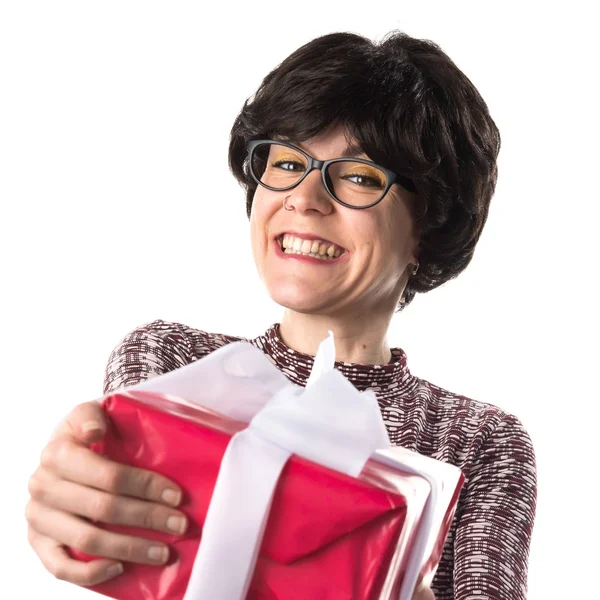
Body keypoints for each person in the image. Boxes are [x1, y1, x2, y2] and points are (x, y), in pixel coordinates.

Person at [25, 30, 537, 600]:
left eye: (359, 177)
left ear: (428, 229)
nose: (304, 198)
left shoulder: (479, 441)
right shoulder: (168, 361)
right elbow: (138, 558)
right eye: (288, 161)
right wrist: (78, 516)